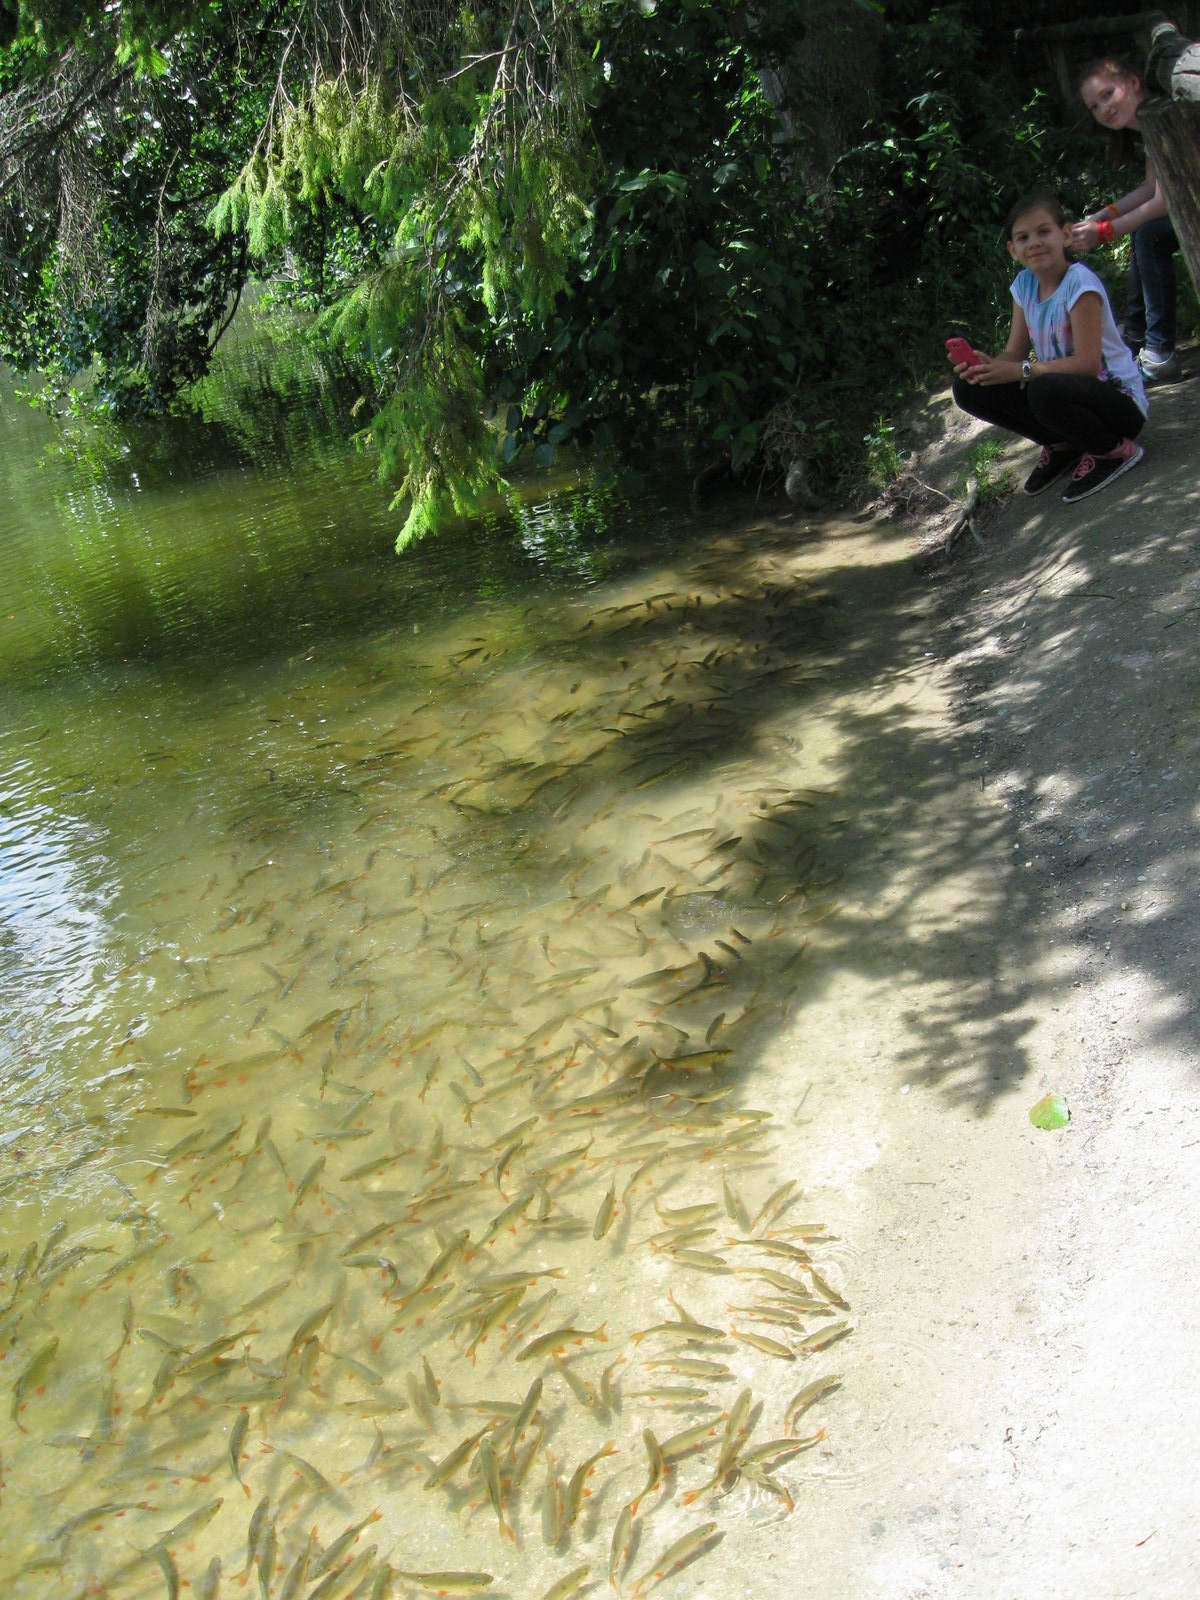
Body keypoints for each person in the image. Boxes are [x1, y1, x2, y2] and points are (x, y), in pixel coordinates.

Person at [949, 189, 1147, 505]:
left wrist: (1023, 370)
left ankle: (1113, 450)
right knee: (968, 387)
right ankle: (1063, 444)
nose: (1035, 242)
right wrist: (989, 367)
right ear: (1013, 250)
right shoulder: (1024, 286)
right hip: (1070, 396)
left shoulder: (1079, 284)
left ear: (1065, 234)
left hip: (1119, 403)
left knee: (1042, 388)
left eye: (1044, 231)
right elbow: (1014, 353)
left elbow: (1087, 364)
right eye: (1024, 237)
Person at [1070, 55, 1180, 384]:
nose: (1103, 108)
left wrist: (1103, 232)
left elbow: (1163, 202)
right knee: (1142, 233)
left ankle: (1160, 352)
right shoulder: (1149, 122)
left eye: (1107, 94)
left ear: (1132, 82)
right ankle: (1133, 335)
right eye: (1094, 106)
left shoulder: (1165, 114)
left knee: (1149, 235)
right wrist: (1101, 215)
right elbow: (1150, 187)